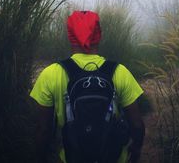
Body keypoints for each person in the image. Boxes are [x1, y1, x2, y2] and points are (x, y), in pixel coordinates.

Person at [30, 10, 145, 163]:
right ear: (99, 36)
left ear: (70, 37)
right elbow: (137, 125)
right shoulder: (119, 72)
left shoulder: (51, 74)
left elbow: (43, 130)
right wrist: (136, 151)